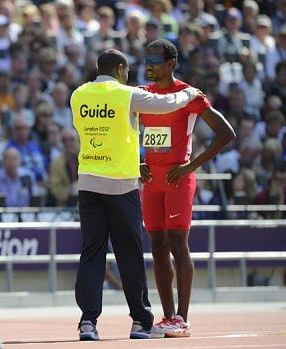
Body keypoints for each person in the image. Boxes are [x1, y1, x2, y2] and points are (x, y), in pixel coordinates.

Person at [70, 48, 204, 341]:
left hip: (88, 184)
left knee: (92, 252)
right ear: (120, 69)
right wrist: (191, 93)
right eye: (127, 70)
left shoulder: (78, 94)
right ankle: (141, 322)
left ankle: (87, 323)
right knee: (128, 252)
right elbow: (167, 104)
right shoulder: (126, 94)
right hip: (120, 185)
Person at [140, 39, 236, 337]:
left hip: (178, 177)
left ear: (170, 64)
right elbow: (128, 131)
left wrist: (191, 166)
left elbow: (226, 133)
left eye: (155, 60)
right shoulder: (141, 95)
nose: (149, 65)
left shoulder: (189, 95)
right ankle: (167, 317)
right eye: (147, 60)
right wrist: (135, 161)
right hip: (150, 179)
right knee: (157, 246)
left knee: (178, 242)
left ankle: (182, 317)